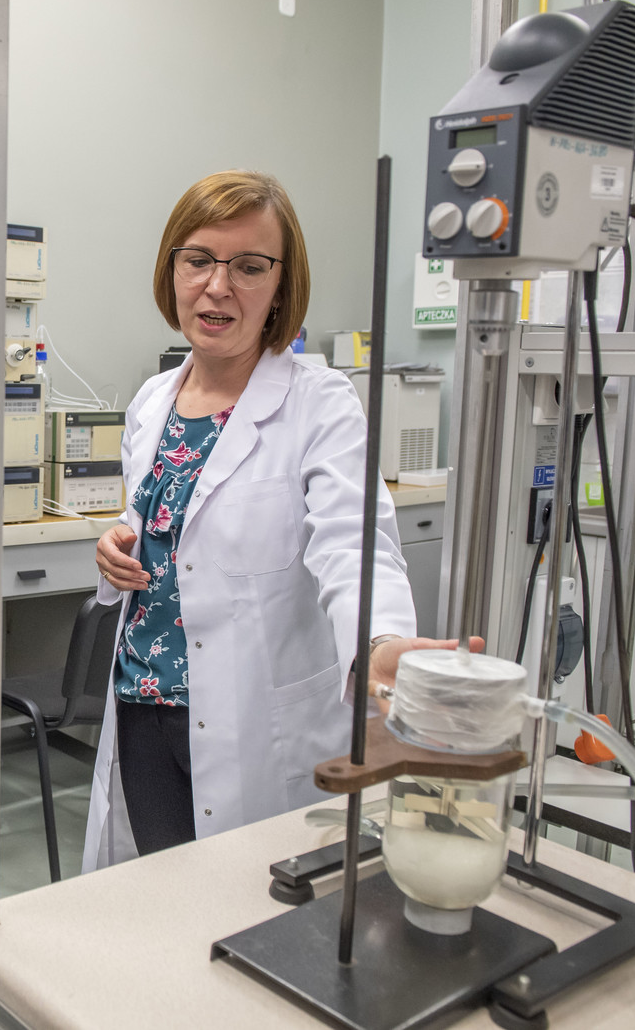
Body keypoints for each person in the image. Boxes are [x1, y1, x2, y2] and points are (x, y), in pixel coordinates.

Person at [87, 170, 479, 869]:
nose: (218, 286)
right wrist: (117, 543)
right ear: (172, 270)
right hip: (142, 705)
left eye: (249, 266)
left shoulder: (320, 404)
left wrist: (379, 641)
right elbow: (162, 520)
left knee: (247, 908)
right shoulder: (152, 401)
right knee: (163, 897)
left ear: (280, 285)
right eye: (199, 260)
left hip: (249, 723)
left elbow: (353, 540)